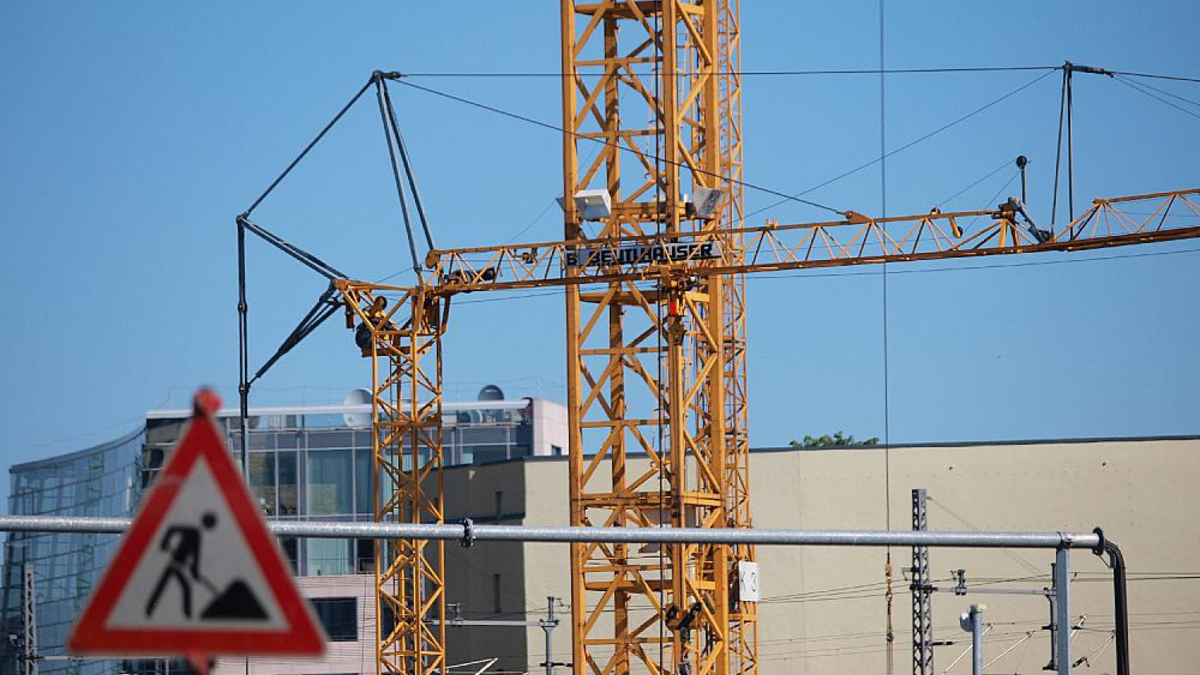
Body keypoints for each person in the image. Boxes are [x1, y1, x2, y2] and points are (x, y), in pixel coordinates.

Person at [144, 512, 217, 618]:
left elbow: (195, 554)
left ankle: (149, 610)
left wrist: (194, 570)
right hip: (174, 563)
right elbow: (172, 528)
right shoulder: (193, 532)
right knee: (182, 588)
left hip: (178, 565)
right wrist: (164, 543)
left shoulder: (197, 534)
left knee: (165, 586)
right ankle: (187, 616)